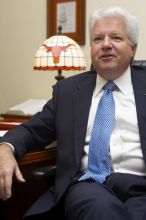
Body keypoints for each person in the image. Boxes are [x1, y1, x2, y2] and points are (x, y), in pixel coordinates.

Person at [0, 6, 146, 220]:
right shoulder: (68, 92)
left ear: (132, 48)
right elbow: (32, 131)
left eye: (115, 37)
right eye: (98, 39)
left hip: (141, 187)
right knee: (99, 209)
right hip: (90, 185)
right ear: (92, 48)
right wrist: (6, 148)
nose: (106, 45)